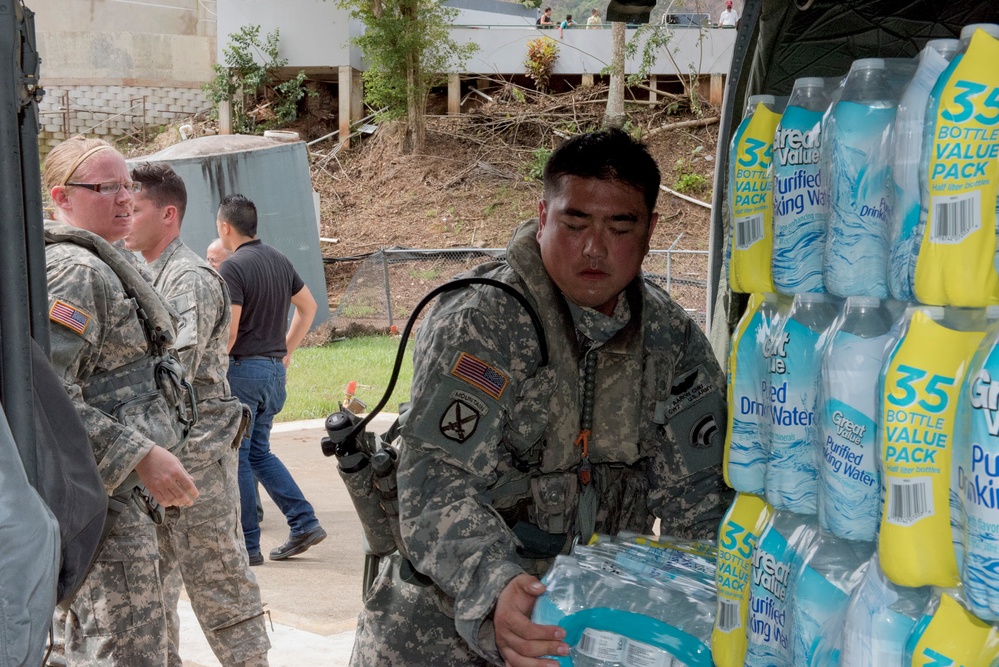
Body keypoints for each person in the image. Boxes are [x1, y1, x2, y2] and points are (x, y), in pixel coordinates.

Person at [349, 129, 731, 666]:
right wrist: (499, 586)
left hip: (588, 634)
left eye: (619, 226)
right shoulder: (483, 321)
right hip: (443, 634)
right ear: (543, 216)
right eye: (575, 223)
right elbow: (434, 482)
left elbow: (699, 500)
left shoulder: (671, 338)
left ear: (649, 232)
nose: (594, 247)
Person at [43, 135, 199, 664]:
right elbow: (47, 400)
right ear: (62, 198)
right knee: (128, 651)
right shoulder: (75, 270)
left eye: (127, 184)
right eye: (105, 187)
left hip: (127, 503)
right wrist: (139, 455)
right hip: (105, 505)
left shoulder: (106, 264)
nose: (125, 198)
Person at [125, 163, 270, 666]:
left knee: (219, 585)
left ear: (168, 214)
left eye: (135, 205)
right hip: (159, 458)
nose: (125, 211)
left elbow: (169, 372)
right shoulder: (143, 272)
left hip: (198, 460)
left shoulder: (190, 278)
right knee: (155, 593)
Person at [215, 194, 325, 564]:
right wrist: (286, 349)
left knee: (241, 456)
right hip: (274, 373)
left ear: (224, 227)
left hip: (243, 371)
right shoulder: (279, 259)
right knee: (259, 452)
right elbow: (308, 308)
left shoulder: (232, 268)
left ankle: (247, 546)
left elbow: (229, 333)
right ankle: (304, 522)